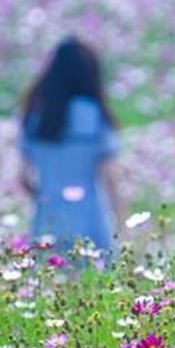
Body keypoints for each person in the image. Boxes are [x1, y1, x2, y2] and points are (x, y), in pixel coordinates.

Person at [19, 37, 124, 259]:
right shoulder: (94, 114)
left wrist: (47, 194)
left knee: (48, 282)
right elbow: (111, 176)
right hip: (90, 218)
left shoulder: (38, 117)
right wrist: (122, 222)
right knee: (93, 283)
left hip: (47, 219)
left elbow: (25, 179)